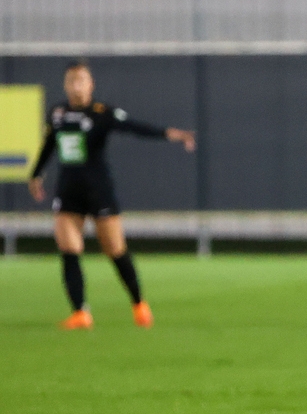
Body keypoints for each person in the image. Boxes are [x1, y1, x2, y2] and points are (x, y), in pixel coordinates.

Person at [28, 60, 196, 329]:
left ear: (91, 84)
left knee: (115, 250)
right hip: (68, 191)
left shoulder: (101, 113)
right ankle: (80, 312)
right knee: (69, 250)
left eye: (81, 80)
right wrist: (35, 173)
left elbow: (135, 127)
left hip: (98, 192)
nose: (76, 85)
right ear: (65, 84)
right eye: (71, 80)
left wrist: (172, 135)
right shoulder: (57, 113)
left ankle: (139, 303)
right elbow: (49, 144)